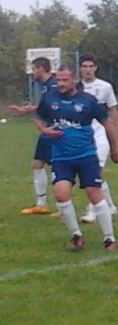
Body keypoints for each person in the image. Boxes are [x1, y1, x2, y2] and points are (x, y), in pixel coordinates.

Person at [34, 64, 118, 251]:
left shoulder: (88, 101)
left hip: (86, 155)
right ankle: (76, 235)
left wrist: (114, 149)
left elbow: (108, 124)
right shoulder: (49, 99)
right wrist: (44, 130)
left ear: (74, 80)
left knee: (93, 193)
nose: (60, 84)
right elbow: (38, 117)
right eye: (58, 80)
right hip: (61, 157)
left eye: (65, 80)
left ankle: (109, 238)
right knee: (60, 194)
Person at [7, 57, 58, 214]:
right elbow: (44, 107)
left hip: (54, 131)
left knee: (58, 168)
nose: (32, 72)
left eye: (34, 69)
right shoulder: (45, 86)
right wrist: (27, 110)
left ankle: (62, 205)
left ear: (42, 68)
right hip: (46, 131)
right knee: (37, 165)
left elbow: (56, 106)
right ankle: (41, 204)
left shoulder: (53, 85)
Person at [78, 53, 118, 224]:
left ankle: (92, 211)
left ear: (96, 68)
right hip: (84, 135)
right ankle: (110, 206)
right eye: (85, 66)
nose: (88, 70)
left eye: (91, 66)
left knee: (95, 171)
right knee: (95, 175)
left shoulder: (105, 87)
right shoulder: (76, 87)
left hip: (101, 134)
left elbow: (112, 110)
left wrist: (114, 133)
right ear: (80, 68)